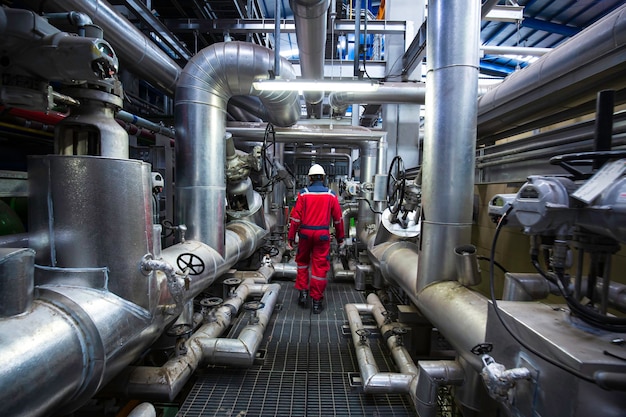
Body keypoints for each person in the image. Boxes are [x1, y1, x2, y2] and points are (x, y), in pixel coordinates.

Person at [287, 164, 345, 314]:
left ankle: (303, 293)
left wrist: (290, 238)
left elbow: (295, 219)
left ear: (310, 178)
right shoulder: (331, 195)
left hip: (305, 234)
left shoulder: (303, 194)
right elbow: (338, 219)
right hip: (322, 235)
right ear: (323, 177)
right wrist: (340, 238)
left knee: (302, 263)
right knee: (320, 267)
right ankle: (317, 301)